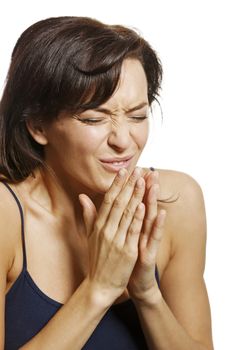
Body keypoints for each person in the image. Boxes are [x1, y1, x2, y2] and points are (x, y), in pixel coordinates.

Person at [0, 16, 214, 350]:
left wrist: (147, 295)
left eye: (138, 115)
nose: (124, 140)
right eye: (94, 118)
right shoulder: (6, 216)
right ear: (38, 125)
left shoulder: (175, 202)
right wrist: (98, 288)